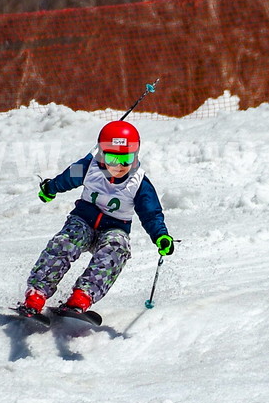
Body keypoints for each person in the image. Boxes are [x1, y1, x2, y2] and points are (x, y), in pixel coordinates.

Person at [18, 119, 173, 318]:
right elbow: (67, 177)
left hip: (114, 229)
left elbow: (151, 213)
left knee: (118, 248)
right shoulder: (87, 167)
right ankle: (36, 295)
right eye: (112, 159)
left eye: (125, 160)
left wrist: (160, 235)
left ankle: (81, 298)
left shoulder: (140, 183)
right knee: (65, 242)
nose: (118, 166)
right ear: (101, 153)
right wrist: (50, 188)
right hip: (82, 221)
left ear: (135, 156)